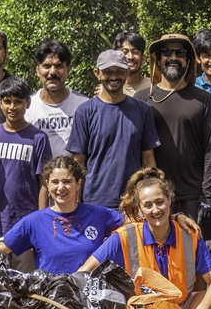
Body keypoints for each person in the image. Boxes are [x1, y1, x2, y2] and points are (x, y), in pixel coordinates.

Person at [79, 168, 211, 309]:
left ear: (170, 199)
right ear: (139, 209)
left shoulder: (188, 235)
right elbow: (84, 271)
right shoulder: (126, 236)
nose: (155, 210)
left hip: (179, 308)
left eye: (159, 202)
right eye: (148, 205)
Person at [135, 33, 211, 220]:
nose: (173, 58)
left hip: (193, 197)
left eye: (180, 53)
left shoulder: (203, 99)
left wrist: (208, 195)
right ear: (157, 59)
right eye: (167, 52)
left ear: (188, 61)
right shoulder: (142, 99)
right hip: (154, 200)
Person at [0, 156, 123, 273]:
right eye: (55, 182)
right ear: (47, 184)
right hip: (51, 294)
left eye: (67, 181)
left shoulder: (99, 214)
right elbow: (2, 247)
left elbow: (133, 226)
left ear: (78, 184)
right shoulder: (33, 222)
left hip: (91, 294)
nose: (60, 188)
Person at [67, 49, 159, 207]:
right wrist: (76, 202)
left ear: (127, 72)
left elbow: (148, 160)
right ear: (97, 74)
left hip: (133, 201)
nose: (114, 76)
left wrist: (153, 195)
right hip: (94, 202)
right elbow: (79, 163)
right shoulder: (85, 112)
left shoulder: (143, 110)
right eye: (108, 72)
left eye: (119, 71)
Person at [0, 77, 51, 241]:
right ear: (0, 103)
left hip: (26, 222)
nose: (12, 107)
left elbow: (44, 183)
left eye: (18, 102)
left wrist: (40, 220)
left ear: (28, 103)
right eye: (7, 101)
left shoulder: (38, 138)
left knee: (24, 267)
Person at [114, 31, 153, 96]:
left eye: (135, 52)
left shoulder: (153, 87)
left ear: (143, 58)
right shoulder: (110, 89)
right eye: (125, 52)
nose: (130, 57)